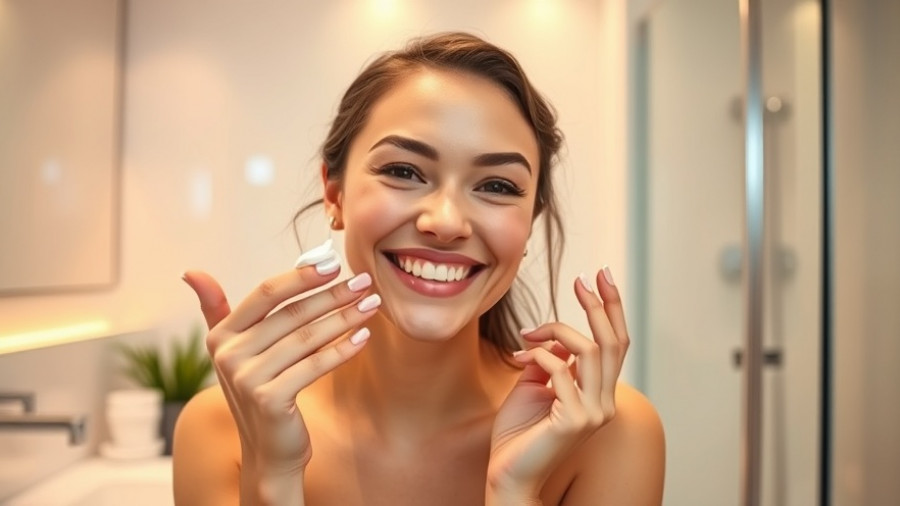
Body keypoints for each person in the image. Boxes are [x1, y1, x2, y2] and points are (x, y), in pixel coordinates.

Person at [175, 31, 665, 505]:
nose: (446, 222)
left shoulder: (609, 434)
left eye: (497, 186)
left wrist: (515, 492)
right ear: (334, 193)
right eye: (403, 172)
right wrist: (272, 473)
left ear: (530, 218)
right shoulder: (219, 430)